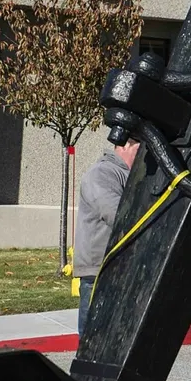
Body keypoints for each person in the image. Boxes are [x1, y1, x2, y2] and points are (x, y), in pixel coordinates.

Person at [74, 139, 139, 335]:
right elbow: (116, 213)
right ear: (125, 145)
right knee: (93, 339)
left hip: (119, 268)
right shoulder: (102, 173)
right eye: (140, 148)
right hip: (100, 271)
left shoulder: (128, 174)